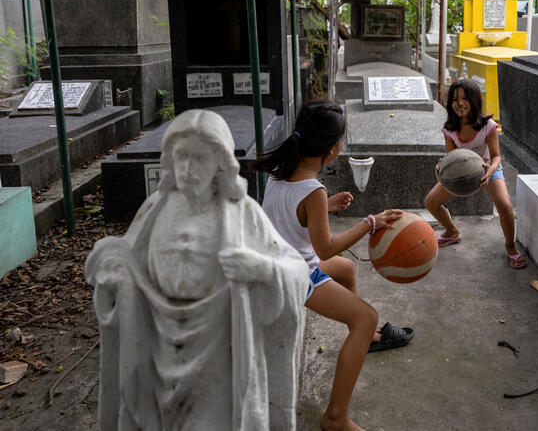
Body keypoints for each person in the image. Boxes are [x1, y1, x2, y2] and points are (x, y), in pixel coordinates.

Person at [85, 109, 309, 430]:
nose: (188, 169)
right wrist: (115, 275)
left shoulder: (242, 214)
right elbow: (124, 260)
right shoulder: (154, 209)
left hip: (218, 351)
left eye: (200, 158)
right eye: (181, 157)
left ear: (220, 163)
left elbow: (295, 269)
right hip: (155, 348)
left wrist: (262, 268)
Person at [252, 99, 413, 431]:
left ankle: (363, 339)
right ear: (331, 148)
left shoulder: (281, 171)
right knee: (366, 316)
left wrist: (325, 207)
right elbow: (325, 248)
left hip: (278, 265)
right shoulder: (312, 189)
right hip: (297, 276)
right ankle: (336, 417)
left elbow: (289, 215)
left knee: (346, 269)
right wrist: (370, 222)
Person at [424, 77, 528, 269]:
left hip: (489, 170)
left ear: (474, 100)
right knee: (430, 201)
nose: (460, 103)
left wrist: (490, 171)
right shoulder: (450, 130)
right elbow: (452, 157)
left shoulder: (488, 126)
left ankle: (510, 246)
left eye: (465, 98)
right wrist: (442, 165)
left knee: (505, 207)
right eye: (455, 99)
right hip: (462, 174)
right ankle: (451, 231)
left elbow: (496, 156)